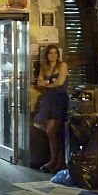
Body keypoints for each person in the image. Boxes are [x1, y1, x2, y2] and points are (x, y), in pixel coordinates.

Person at [34, 45, 69, 173]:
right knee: (51, 132)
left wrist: (47, 83)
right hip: (47, 99)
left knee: (52, 131)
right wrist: (50, 83)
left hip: (59, 99)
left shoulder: (62, 65)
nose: (53, 55)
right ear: (46, 55)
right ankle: (57, 161)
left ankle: (55, 161)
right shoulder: (44, 67)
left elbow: (60, 82)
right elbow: (39, 83)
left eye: (55, 53)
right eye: (50, 53)